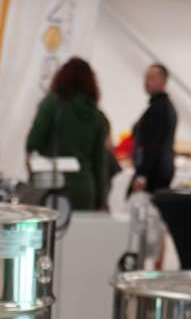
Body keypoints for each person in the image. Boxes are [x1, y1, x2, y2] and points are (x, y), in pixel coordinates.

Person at [25, 57, 110, 211]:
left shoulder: (51, 104)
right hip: (84, 188)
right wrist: (101, 200)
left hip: (51, 184)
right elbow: (99, 162)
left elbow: (33, 141)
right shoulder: (97, 116)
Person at [130, 62, 177, 193]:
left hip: (154, 174)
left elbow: (151, 145)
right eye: (146, 78)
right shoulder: (161, 107)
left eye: (151, 78)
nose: (146, 82)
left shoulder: (159, 109)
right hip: (158, 171)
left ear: (163, 81)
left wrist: (142, 175)